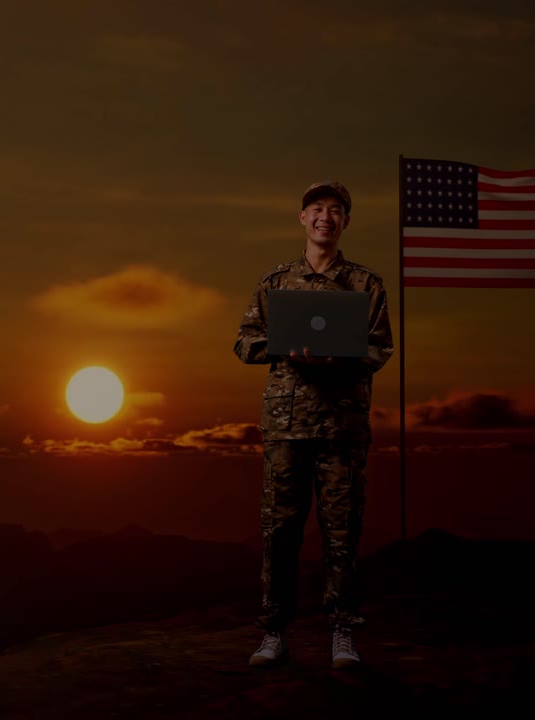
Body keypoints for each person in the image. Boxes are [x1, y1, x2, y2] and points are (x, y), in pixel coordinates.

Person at [232, 180, 395, 670]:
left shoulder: (366, 284)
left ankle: (342, 632)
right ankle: (275, 632)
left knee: (341, 531)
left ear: (345, 222)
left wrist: (340, 356)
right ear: (302, 218)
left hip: (341, 427)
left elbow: (380, 348)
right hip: (285, 427)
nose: (326, 216)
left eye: (337, 210)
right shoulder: (275, 283)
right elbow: (244, 343)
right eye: (317, 209)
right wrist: (285, 345)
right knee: (279, 531)